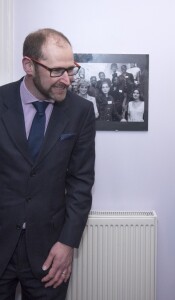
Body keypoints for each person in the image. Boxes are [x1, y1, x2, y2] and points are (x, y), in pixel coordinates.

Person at [0, 28, 95, 299]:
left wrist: (67, 242)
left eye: (70, 69)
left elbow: (81, 182)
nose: (66, 80)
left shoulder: (81, 111)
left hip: (50, 252)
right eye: (56, 71)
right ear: (29, 65)